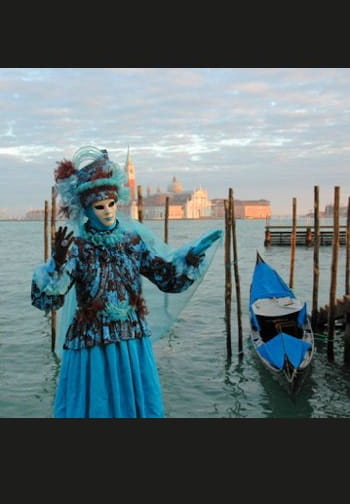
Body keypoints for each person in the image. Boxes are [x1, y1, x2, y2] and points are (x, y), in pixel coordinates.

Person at [31, 145, 223, 418]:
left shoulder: (133, 242)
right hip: (91, 341)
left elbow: (165, 277)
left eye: (112, 204)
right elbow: (49, 299)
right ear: (87, 209)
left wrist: (191, 254)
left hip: (131, 337)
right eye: (100, 206)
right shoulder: (78, 247)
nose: (108, 211)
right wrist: (57, 264)